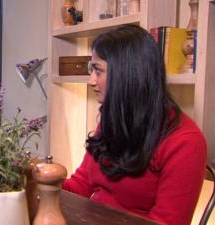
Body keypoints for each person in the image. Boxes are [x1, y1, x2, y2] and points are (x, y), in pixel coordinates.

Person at [62, 24, 207, 225]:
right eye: (91, 69)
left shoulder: (185, 142)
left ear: (127, 75)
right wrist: (33, 180)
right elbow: (80, 186)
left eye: (98, 71)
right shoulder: (114, 119)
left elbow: (166, 222)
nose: (91, 80)